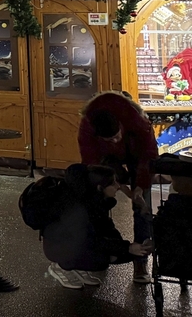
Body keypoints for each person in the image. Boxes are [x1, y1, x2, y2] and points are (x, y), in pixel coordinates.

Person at [78, 90, 159, 283]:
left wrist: (140, 186)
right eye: (109, 139)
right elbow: (92, 167)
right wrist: (117, 185)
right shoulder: (87, 130)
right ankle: (102, 250)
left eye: (116, 136)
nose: (114, 140)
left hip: (136, 151)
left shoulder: (137, 121)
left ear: (121, 126)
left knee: (141, 206)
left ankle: (140, 260)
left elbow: (149, 156)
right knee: (98, 200)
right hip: (106, 159)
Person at [42, 164, 152, 288]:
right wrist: (127, 247)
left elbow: (107, 231)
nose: (118, 186)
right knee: (101, 259)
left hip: (76, 244)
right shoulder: (79, 209)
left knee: (121, 254)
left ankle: (77, 268)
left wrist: (128, 248)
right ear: (100, 187)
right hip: (58, 248)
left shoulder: (97, 202)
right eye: (113, 183)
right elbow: (89, 240)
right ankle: (62, 266)